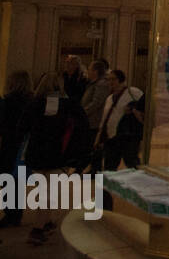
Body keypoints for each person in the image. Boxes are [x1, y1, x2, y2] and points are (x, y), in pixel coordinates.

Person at [21, 72, 91, 245]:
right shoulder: (69, 105)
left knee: (44, 189)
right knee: (50, 191)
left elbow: (22, 128)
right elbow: (83, 127)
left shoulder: (34, 104)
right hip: (59, 153)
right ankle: (38, 228)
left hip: (36, 153)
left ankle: (46, 223)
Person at [0, 70, 35, 228]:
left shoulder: (8, 101)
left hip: (10, 144)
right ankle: (16, 213)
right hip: (26, 145)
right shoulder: (32, 100)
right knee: (18, 180)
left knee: (7, 178)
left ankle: (10, 213)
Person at [94, 70, 144, 171]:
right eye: (109, 80)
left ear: (121, 79)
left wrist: (132, 107)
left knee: (131, 163)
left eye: (113, 79)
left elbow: (144, 106)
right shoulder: (109, 98)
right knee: (109, 166)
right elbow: (105, 119)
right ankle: (106, 186)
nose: (111, 82)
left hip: (128, 136)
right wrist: (99, 136)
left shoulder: (133, 92)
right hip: (112, 137)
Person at [81, 59, 111, 124]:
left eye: (89, 69)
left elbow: (96, 103)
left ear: (95, 72)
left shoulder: (102, 84)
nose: (87, 72)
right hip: (88, 119)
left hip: (94, 120)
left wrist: (82, 112)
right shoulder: (93, 83)